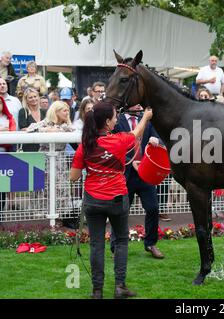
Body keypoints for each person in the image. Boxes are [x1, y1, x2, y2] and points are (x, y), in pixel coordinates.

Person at [70, 101, 152, 299]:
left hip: (92, 200)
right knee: (121, 241)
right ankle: (120, 286)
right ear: (107, 122)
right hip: (116, 199)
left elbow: (73, 177)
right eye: (115, 117)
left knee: (96, 244)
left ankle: (97, 290)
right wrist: (147, 117)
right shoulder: (119, 140)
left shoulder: (85, 145)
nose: (117, 120)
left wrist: (93, 169)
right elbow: (137, 133)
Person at [110, 104, 165, 259]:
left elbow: (158, 137)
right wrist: (130, 161)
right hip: (126, 175)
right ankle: (116, 247)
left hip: (145, 173)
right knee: (121, 212)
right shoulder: (117, 121)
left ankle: (151, 244)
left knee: (153, 208)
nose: (139, 106)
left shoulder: (145, 119)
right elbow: (113, 146)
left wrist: (156, 139)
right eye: (136, 103)